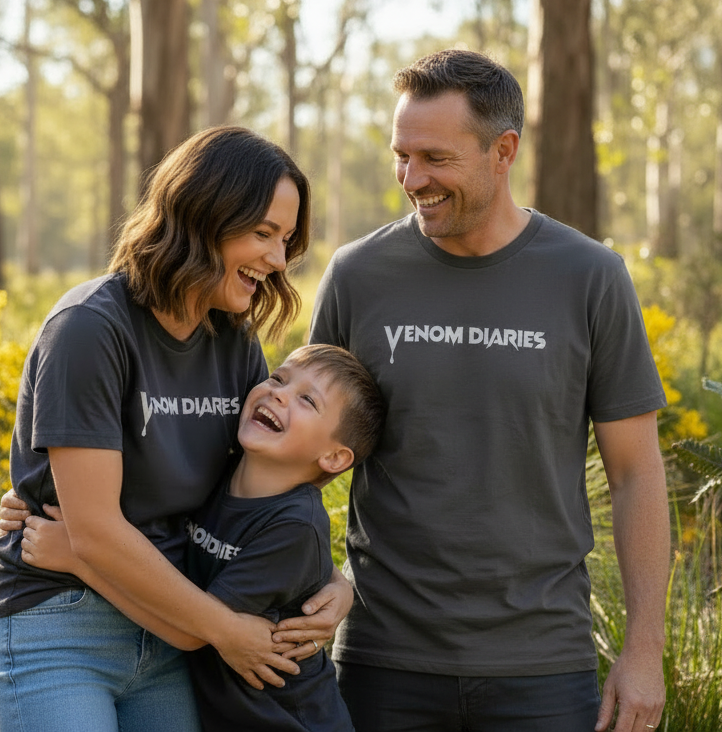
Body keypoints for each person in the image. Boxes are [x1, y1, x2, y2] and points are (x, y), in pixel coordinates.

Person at [279, 49, 670, 732]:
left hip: (544, 667)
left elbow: (637, 472)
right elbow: (297, 460)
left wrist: (644, 650)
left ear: (503, 151)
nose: (411, 178)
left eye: (435, 158)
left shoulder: (591, 277)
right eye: (401, 155)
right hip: (381, 659)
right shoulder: (357, 276)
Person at [0, 126, 352, 732]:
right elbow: (95, 531)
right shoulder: (90, 329)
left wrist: (334, 582)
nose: (278, 260)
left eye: (285, 240)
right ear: (201, 217)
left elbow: (259, 489)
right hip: (63, 624)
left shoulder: (234, 340)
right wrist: (228, 631)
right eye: (262, 234)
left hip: (180, 637)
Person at [19, 343, 387, 732]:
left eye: (307, 400)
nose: (278, 392)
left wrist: (80, 559)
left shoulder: (294, 527)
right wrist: (38, 493)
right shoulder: (215, 473)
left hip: (290, 721)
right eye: (278, 378)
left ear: (333, 459)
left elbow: (192, 630)